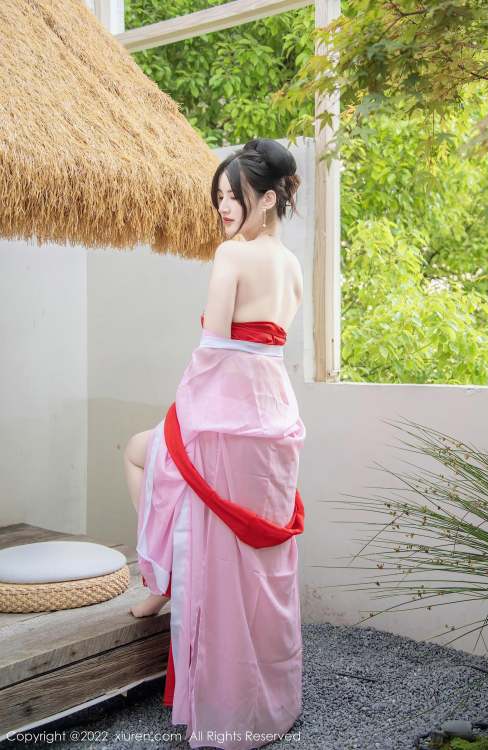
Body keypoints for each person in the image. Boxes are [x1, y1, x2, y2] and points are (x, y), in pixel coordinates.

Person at [123, 138, 306, 750]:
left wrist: (185, 417)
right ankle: (264, 702)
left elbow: (216, 350)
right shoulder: (291, 265)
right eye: (220, 196)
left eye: (236, 195)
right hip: (272, 415)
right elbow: (267, 348)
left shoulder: (232, 255)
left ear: (269, 197)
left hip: (227, 413)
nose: (224, 207)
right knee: (251, 554)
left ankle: (161, 581)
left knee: (139, 453)